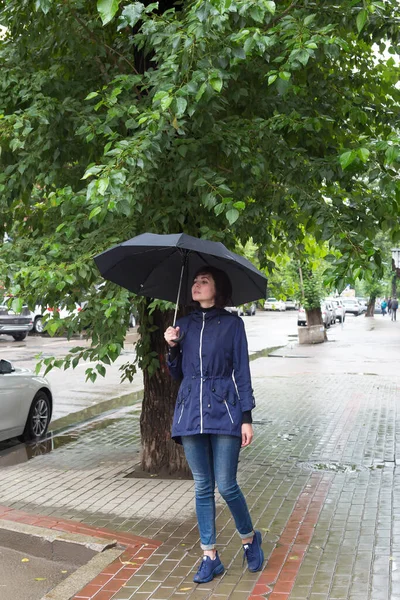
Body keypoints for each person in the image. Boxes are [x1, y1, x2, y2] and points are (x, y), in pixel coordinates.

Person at [164, 266, 264, 584]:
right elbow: (177, 373)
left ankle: (249, 539)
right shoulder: (183, 325)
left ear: (216, 289)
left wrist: (246, 417)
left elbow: (242, 373)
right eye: (194, 281)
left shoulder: (233, 324)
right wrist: (172, 347)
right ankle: (210, 556)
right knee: (203, 486)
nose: (197, 285)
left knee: (226, 484)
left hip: (225, 410)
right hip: (190, 409)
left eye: (203, 281)